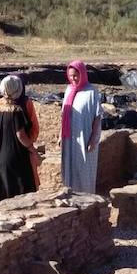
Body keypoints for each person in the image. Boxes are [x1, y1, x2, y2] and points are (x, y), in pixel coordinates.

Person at [0, 75, 39, 209]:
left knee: (2, 195)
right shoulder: (17, 111)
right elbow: (20, 135)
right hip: (16, 158)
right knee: (20, 199)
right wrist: (33, 150)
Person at [59, 60, 102, 194]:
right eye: (71, 76)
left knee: (84, 169)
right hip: (69, 138)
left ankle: (87, 201)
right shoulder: (69, 90)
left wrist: (93, 139)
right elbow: (64, 115)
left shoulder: (91, 92)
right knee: (69, 168)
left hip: (85, 137)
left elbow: (97, 117)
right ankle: (71, 197)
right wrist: (61, 135)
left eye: (76, 76)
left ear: (82, 74)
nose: (73, 79)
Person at [10, 74, 42, 189]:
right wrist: (30, 142)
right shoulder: (26, 103)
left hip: (8, 147)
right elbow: (34, 127)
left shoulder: (1, 104)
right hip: (25, 148)